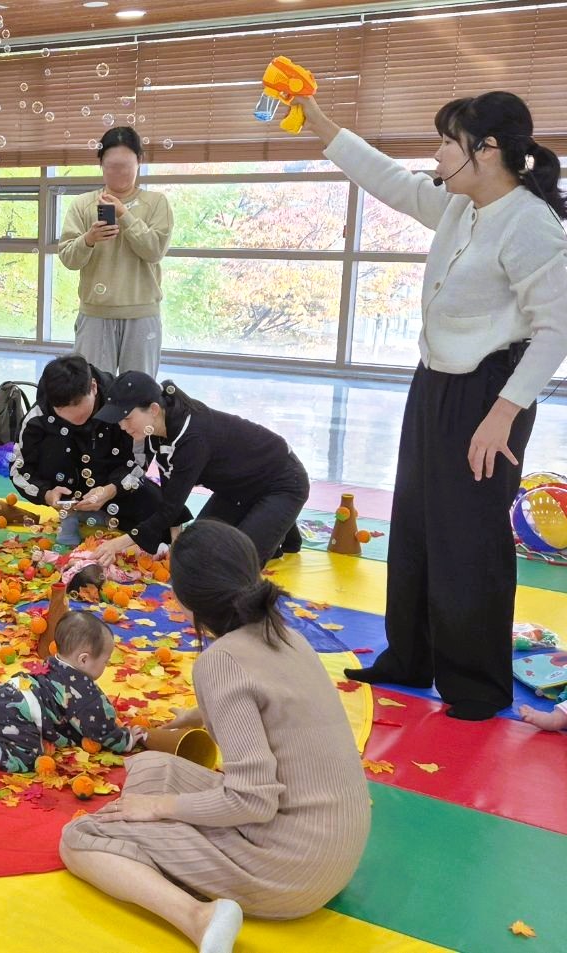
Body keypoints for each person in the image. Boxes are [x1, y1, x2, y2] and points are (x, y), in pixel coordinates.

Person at [297, 92, 567, 721]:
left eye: (449, 141)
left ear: (489, 149)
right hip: (436, 382)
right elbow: (387, 178)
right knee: (415, 522)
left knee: (469, 536)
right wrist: (322, 120)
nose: (438, 153)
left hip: (490, 392)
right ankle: (410, 656)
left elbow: (555, 329)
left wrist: (503, 413)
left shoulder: (530, 222)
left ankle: (475, 684)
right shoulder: (457, 203)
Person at [60, 520, 370, 953]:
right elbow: (260, 703)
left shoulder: (220, 662)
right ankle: (169, 851)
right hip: (337, 847)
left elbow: (253, 800)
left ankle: (200, 919)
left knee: (82, 838)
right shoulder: (285, 634)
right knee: (152, 765)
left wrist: (158, 808)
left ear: (185, 596)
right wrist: (188, 718)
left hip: (291, 868)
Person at [90, 373, 307, 569]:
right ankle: (279, 530)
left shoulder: (192, 438)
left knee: (236, 564)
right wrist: (176, 543)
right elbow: (170, 491)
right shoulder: (156, 429)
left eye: (127, 418)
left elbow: (171, 506)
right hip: (236, 489)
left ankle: (277, 517)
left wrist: (121, 542)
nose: (122, 426)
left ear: (154, 409)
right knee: (197, 549)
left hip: (281, 481)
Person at [11, 354, 170, 547]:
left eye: (78, 404)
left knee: (165, 518)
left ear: (93, 387)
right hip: (68, 489)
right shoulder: (38, 417)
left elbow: (139, 462)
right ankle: (71, 514)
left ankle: (98, 513)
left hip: (112, 486)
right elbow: (20, 469)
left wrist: (110, 490)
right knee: (52, 444)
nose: (73, 416)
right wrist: (47, 494)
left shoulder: (121, 402)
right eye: (61, 409)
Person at [0, 611, 142, 776]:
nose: (105, 666)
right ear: (84, 659)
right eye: (105, 661)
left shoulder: (52, 662)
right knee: (31, 756)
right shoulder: (85, 693)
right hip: (13, 716)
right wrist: (126, 740)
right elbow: (101, 728)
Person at [57, 127, 173, 379]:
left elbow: (154, 251)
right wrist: (89, 239)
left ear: (139, 161)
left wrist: (124, 215)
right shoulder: (83, 204)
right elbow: (68, 258)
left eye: (126, 165)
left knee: (139, 397)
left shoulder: (156, 203)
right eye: (111, 165)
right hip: (96, 312)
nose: (119, 173)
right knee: (92, 391)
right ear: (100, 164)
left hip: (141, 314)